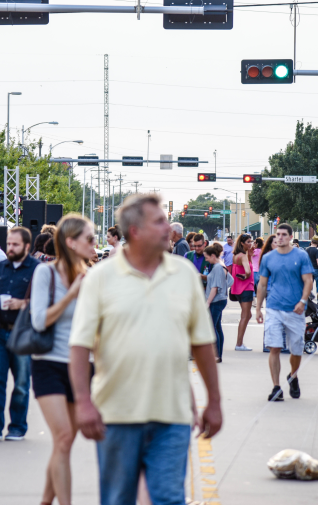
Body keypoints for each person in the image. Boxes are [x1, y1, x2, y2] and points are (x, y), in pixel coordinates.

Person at [69, 193, 221, 505]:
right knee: (118, 499)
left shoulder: (184, 274)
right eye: (159, 221)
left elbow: (203, 343)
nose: (169, 227)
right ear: (135, 231)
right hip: (116, 414)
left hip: (172, 415)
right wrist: (83, 403)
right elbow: (80, 346)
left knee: (168, 498)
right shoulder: (100, 278)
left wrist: (214, 402)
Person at [30, 214, 91, 506]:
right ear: (70, 242)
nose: (94, 245)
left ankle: (45, 501)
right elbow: (40, 321)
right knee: (64, 437)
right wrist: (70, 296)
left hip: (81, 366)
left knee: (63, 444)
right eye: (89, 239)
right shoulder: (47, 273)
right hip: (48, 362)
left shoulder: (92, 276)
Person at [0, 227, 41, 442]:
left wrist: (22, 303)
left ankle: (17, 427)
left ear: (26, 246)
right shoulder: (0, 267)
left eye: (15, 244)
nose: (11, 248)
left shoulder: (37, 269)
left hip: (23, 333)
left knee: (22, 383)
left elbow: (46, 300)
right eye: (9, 244)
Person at [255, 223, 315, 402]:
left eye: (283, 235)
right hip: (274, 307)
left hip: (295, 309)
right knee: (274, 346)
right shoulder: (268, 258)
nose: (279, 237)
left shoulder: (301, 256)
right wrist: (258, 308)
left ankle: (293, 376)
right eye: (277, 234)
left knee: (296, 349)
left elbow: (308, 281)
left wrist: (303, 301)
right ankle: (276, 387)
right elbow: (263, 284)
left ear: (290, 237)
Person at [204, 243, 233, 362]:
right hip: (221, 299)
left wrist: (207, 303)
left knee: (213, 327)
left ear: (212, 255)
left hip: (216, 300)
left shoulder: (217, 267)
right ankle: (218, 355)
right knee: (217, 327)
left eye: (207, 257)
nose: (206, 259)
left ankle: (216, 355)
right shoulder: (222, 265)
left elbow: (214, 288)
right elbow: (230, 280)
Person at [230, 234, 255, 354]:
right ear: (242, 243)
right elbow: (248, 271)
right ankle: (239, 343)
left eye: (251, 241)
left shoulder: (236, 255)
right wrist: (247, 275)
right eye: (248, 242)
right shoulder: (243, 256)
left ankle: (239, 343)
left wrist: (249, 255)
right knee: (245, 316)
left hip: (238, 289)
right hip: (246, 287)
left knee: (248, 315)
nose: (251, 244)